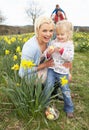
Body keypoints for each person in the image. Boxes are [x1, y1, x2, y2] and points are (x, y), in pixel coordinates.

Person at [44, 20, 74, 118]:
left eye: (62, 34)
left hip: (63, 72)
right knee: (48, 87)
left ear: (68, 34)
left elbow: (70, 58)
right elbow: (46, 55)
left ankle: (69, 108)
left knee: (65, 90)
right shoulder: (53, 42)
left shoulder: (69, 45)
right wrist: (49, 53)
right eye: (58, 34)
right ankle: (47, 107)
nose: (59, 36)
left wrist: (61, 50)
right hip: (52, 70)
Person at [19, 16, 55, 83]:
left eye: (51, 31)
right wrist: (45, 65)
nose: (48, 34)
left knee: (65, 75)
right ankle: (44, 92)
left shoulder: (49, 42)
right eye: (44, 31)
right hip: (28, 74)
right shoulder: (31, 47)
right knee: (55, 76)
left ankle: (51, 91)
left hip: (42, 69)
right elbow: (25, 70)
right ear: (37, 30)